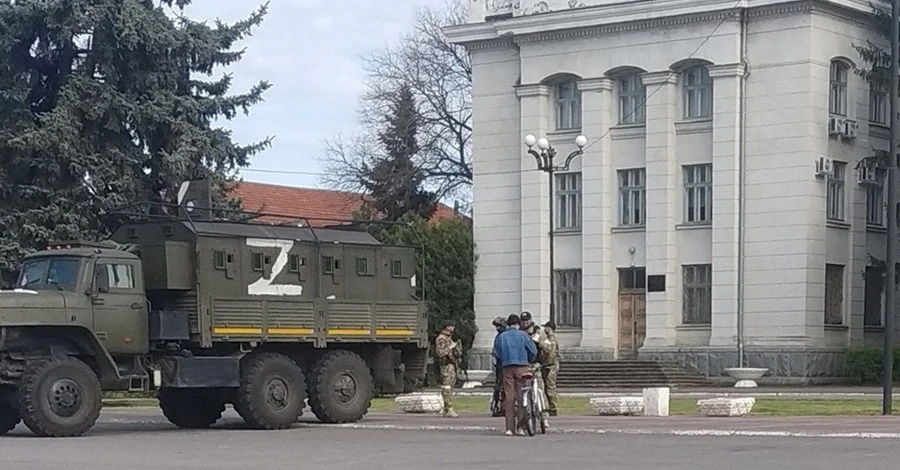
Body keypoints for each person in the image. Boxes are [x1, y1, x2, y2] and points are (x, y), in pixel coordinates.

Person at [493, 314, 537, 436]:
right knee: (521, 396)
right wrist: (528, 360)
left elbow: (497, 352)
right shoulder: (523, 335)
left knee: (509, 397)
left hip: (507, 368)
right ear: (518, 324)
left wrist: (504, 361)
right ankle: (521, 427)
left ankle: (509, 428)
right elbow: (533, 351)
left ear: (508, 324)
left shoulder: (501, 337)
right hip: (522, 367)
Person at [520, 311, 552, 409]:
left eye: (527, 321)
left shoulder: (538, 332)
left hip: (536, 365)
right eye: (523, 321)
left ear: (530, 320)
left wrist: (539, 342)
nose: (525, 323)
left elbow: (549, 347)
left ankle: (544, 413)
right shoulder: (519, 333)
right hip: (523, 364)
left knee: (539, 389)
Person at [434, 321, 462, 418]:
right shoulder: (441, 339)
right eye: (451, 326)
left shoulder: (448, 338)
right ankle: (448, 408)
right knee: (447, 387)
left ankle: (447, 407)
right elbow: (441, 353)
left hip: (452, 365)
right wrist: (451, 347)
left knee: (450, 387)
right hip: (446, 365)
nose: (453, 328)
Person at [490, 316, 507, 417]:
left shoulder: (503, 336)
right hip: (499, 365)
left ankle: (503, 407)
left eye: (498, 326)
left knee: (502, 387)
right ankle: (499, 406)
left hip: (503, 365)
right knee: (499, 387)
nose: (497, 328)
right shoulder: (499, 336)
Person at [542, 321, 560, 416]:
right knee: (548, 386)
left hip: (551, 366)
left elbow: (551, 353)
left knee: (550, 386)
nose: (544, 330)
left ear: (549, 328)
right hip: (549, 365)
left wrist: (547, 363)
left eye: (545, 327)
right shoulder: (548, 339)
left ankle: (553, 407)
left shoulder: (551, 339)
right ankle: (551, 406)